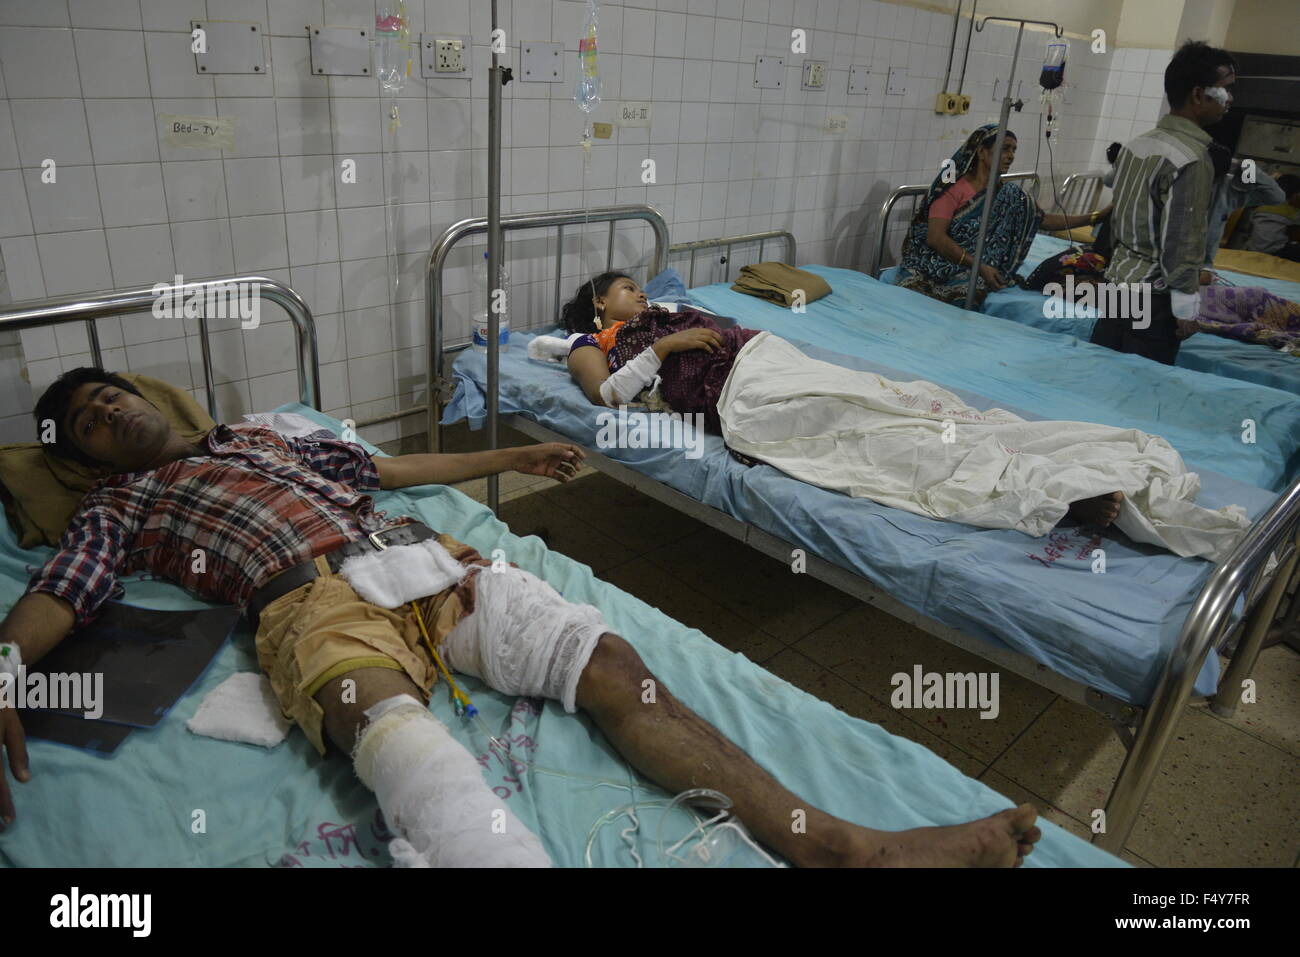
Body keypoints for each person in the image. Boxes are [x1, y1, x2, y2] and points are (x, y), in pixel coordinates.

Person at [0, 367, 1046, 868]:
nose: (108, 410)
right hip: (309, 606)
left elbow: (394, 467)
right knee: (392, 737)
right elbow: (57, 598)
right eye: (87, 422)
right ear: (84, 457)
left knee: (612, 666)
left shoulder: (267, 437)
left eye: (110, 392)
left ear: (151, 396)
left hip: (421, 558)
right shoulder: (119, 509)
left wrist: (509, 454)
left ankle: (843, 850)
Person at [560, 272, 1251, 562]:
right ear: (599, 307)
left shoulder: (667, 308)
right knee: (873, 442)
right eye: (624, 285)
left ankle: (1059, 464)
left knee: (915, 405)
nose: (640, 288)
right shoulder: (594, 345)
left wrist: (686, 324)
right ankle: (1057, 493)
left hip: (774, 361)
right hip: (744, 398)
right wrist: (671, 345)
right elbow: (608, 398)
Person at [1089, 40, 1236, 364]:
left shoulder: (1136, 147)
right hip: (1153, 301)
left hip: (1116, 285)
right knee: (1136, 390)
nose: (1231, 100)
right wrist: (1186, 309)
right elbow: (1181, 243)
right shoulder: (1191, 160)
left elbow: (1116, 224)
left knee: (1099, 376)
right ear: (1199, 94)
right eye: (1226, 90)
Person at [893, 124, 1108, 306]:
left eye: (1014, 150)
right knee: (964, 291)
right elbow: (935, 238)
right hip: (942, 261)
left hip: (981, 266)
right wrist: (977, 266)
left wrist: (1095, 217)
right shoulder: (952, 189)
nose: (1011, 155)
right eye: (1005, 149)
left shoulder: (1007, 194)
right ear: (982, 152)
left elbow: (1043, 219)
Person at [1242, 173, 1300, 261]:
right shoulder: (1292, 211)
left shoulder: (1261, 205)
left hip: (1252, 248)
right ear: (1295, 195)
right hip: (1275, 251)